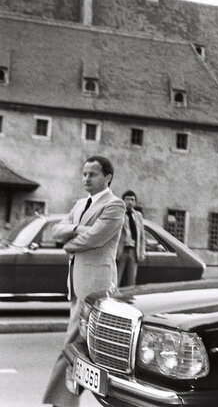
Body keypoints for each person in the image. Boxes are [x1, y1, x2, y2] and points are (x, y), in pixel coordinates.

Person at [43, 156, 125, 407]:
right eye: (84, 174)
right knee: (91, 347)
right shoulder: (80, 204)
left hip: (96, 285)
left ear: (108, 177)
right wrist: (78, 229)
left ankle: (61, 401)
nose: (86, 178)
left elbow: (95, 238)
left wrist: (69, 242)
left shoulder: (115, 205)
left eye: (93, 174)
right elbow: (56, 230)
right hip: (77, 284)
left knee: (74, 344)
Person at [116, 190, 146, 287]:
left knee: (131, 282)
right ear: (123, 201)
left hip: (133, 251)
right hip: (121, 250)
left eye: (132, 200)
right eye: (127, 199)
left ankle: (128, 301)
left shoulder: (138, 216)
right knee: (116, 280)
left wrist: (142, 252)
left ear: (135, 202)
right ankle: (112, 300)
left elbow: (142, 236)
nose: (130, 202)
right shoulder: (118, 214)